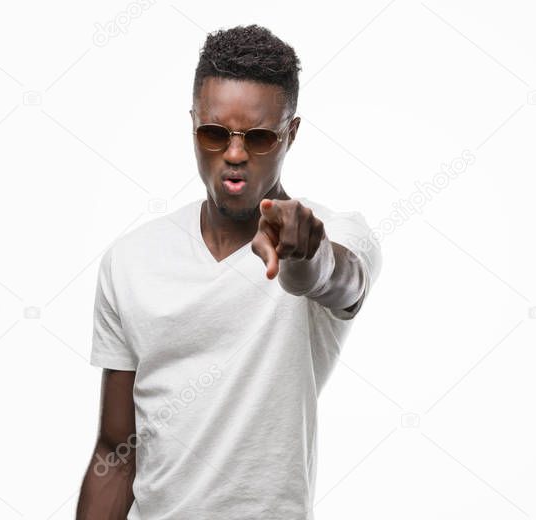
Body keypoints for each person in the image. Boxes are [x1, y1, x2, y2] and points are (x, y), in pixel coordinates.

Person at [75, 24, 382, 519]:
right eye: (215, 133)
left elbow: (341, 283)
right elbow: (115, 450)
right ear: (194, 125)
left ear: (291, 133)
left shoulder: (338, 232)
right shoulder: (131, 259)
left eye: (259, 138)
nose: (234, 154)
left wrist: (306, 255)